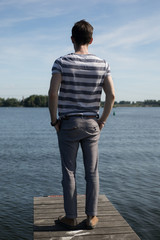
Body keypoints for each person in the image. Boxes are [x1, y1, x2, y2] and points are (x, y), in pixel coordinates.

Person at [48, 19, 115, 230]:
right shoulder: (103, 64)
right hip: (92, 123)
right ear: (91, 40)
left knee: (69, 172)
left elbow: (52, 93)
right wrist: (102, 121)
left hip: (68, 123)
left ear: (72, 39)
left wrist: (54, 121)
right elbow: (111, 95)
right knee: (92, 172)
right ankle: (91, 217)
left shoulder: (61, 62)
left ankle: (70, 217)